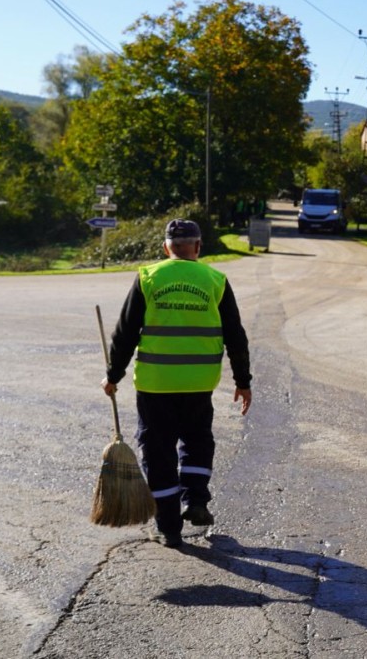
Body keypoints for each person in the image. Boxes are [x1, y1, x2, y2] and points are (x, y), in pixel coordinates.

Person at [102, 218, 252, 548]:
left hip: (156, 385)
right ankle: (195, 500)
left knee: (158, 454)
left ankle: (169, 528)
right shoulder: (216, 280)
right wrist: (243, 381)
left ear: (165, 248)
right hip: (199, 383)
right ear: (198, 247)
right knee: (197, 441)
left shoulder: (149, 278)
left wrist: (114, 375)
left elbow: (125, 333)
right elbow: (235, 335)